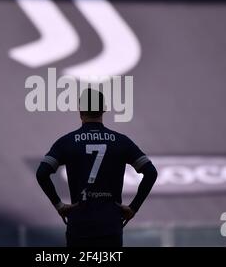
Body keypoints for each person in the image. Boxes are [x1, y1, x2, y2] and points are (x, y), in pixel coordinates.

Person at [36, 88, 158, 247]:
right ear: (103, 110)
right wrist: (133, 208)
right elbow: (150, 173)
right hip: (110, 226)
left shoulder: (66, 142)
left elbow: (42, 173)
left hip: (79, 225)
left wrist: (59, 205)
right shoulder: (121, 141)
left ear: (80, 111)